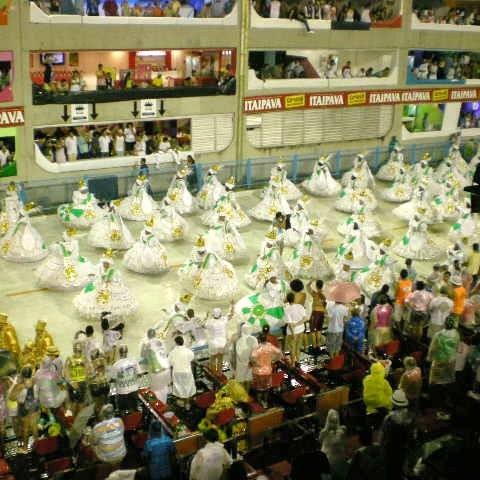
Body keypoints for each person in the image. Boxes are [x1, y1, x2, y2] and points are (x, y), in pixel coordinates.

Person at [379, 390, 416, 480]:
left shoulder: (389, 419)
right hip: (404, 450)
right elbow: (412, 436)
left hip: (390, 451)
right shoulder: (410, 417)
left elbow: (382, 438)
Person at [251, 333, 282, 407]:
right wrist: (273, 360)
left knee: (259, 389)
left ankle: (259, 404)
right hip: (268, 371)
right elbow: (279, 353)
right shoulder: (270, 346)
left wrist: (257, 364)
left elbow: (252, 359)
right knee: (267, 388)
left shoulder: (257, 348)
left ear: (259, 340)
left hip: (258, 372)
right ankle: (265, 402)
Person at [427, 316, 460, 387]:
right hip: (451, 360)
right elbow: (457, 347)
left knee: (435, 378)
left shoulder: (439, 334)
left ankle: (433, 392)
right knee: (447, 378)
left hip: (439, 359)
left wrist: (429, 357)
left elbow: (433, 348)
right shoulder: (456, 334)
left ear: (445, 324)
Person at [168, 336, 196, 409]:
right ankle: (187, 403)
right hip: (187, 372)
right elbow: (192, 358)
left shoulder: (172, 352)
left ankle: (182, 402)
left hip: (177, 372)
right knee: (188, 386)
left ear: (176, 343)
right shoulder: (188, 351)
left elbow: (170, 364)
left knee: (179, 387)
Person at [111, 345, 140, 412]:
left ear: (119, 352)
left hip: (122, 392)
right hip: (134, 390)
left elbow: (113, 379)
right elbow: (139, 374)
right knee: (135, 410)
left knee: (124, 412)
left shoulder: (115, 365)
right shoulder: (134, 361)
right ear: (127, 352)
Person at [319, 409, 347, 476]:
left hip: (338, 459)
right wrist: (326, 431)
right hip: (327, 459)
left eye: (334, 422)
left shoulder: (342, 430)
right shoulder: (324, 432)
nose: (333, 424)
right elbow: (320, 440)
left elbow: (339, 442)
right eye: (331, 421)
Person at [234, 323, 258, 391]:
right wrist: (251, 362)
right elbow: (255, 352)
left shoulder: (239, 340)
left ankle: (243, 396)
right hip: (249, 364)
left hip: (241, 365)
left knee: (241, 381)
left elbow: (238, 353)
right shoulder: (254, 339)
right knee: (248, 380)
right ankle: (247, 395)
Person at [284, 292, 306, 364]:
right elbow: (304, 319)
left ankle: (293, 363)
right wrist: (297, 324)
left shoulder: (287, 309)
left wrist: (293, 333)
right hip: (301, 329)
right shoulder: (300, 306)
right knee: (298, 347)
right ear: (294, 299)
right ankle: (298, 361)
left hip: (292, 332)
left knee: (292, 348)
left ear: (287, 299)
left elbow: (290, 324)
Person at [307, 279, 327, 351]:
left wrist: (311, 280)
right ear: (322, 286)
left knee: (312, 330)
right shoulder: (324, 294)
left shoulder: (315, 293)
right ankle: (318, 344)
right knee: (319, 329)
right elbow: (325, 303)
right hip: (321, 313)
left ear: (316, 286)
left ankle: (314, 345)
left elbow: (307, 286)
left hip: (315, 313)